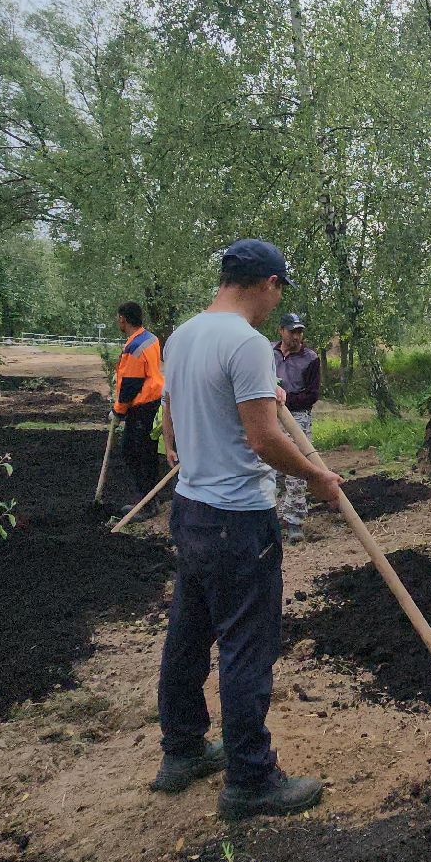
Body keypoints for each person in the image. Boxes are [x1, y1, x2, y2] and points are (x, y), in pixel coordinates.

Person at [151, 239, 344, 820]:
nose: (277, 301)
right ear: (268, 284)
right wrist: (316, 476)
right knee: (245, 648)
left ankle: (182, 751)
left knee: (188, 636)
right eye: (280, 288)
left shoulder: (183, 336)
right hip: (238, 522)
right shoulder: (248, 344)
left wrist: (257, 401)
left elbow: (172, 422)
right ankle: (251, 782)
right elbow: (262, 439)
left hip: (190, 511)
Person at [112, 302, 164, 519]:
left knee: (135, 453)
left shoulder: (134, 347)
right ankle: (151, 499)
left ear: (123, 319)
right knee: (146, 454)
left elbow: (131, 384)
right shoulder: (150, 339)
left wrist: (118, 411)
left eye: (118, 318)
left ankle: (147, 504)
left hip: (142, 406)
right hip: (153, 402)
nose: (118, 322)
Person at [272, 312, 322, 540]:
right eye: (292, 331)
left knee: (297, 468)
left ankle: (294, 521)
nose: (296, 336)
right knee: (269, 468)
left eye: (299, 332)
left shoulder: (310, 358)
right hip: (270, 415)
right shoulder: (266, 353)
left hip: (297, 417)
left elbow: (312, 395)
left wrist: (286, 400)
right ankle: (271, 517)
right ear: (281, 331)